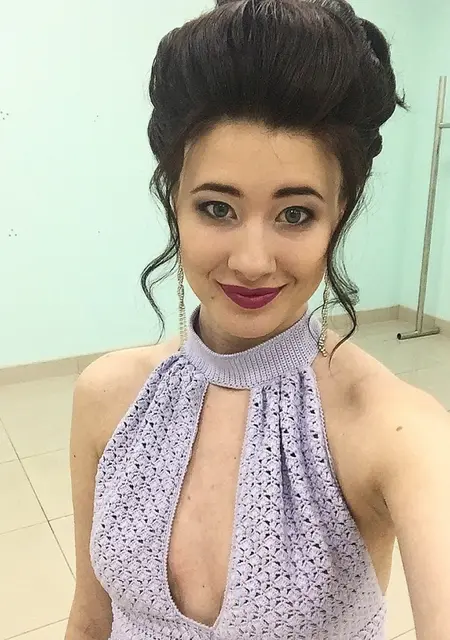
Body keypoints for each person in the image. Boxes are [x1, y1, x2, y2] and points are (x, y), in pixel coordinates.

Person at [65, 1, 450, 638]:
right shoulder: (106, 396)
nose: (251, 262)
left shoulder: (393, 428)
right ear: (174, 202)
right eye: (217, 208)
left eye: (295, 214)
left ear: (339, 215)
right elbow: (89, 616)